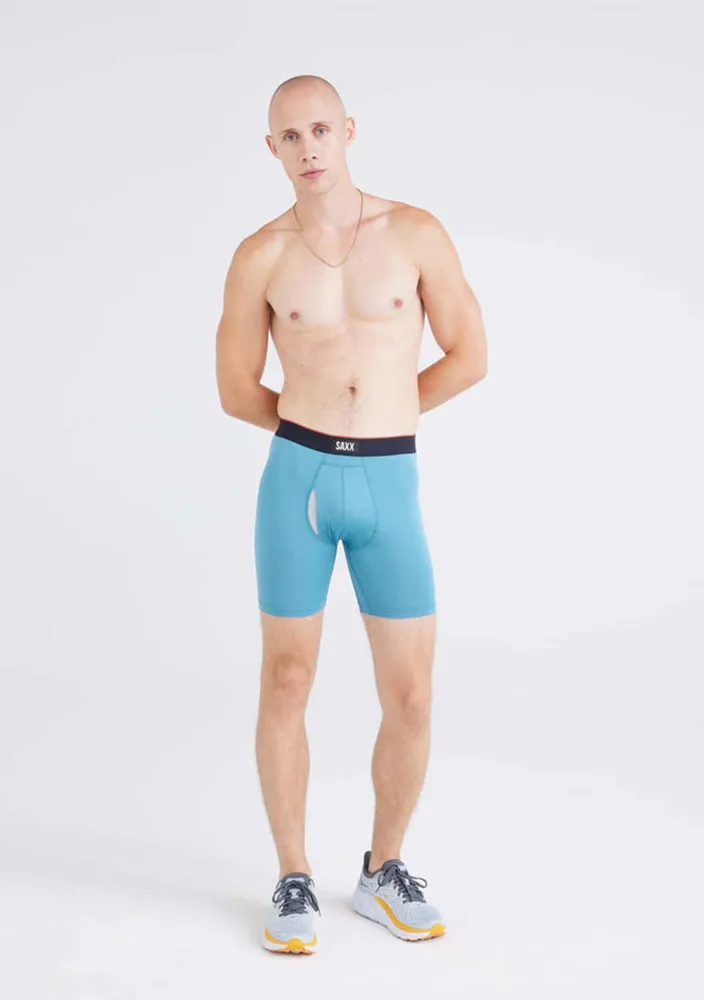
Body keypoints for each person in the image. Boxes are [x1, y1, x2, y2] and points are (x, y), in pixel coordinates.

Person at [215, 74, 487, 953]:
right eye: (291, 137)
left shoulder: (413, 233)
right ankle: (292, 876)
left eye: (321, 130)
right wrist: (316, 430)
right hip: (296, 480)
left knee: (410, 691)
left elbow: (470, 354)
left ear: (349, 131)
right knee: (287, 679)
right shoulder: (259, 255)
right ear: (272, 149)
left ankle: (383, 870)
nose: (309, 149)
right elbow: (235, 390)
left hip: (388, 482)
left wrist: (385, 418)